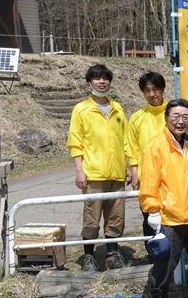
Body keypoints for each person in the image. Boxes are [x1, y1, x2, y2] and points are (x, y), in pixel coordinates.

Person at [139, 99, 188, 298]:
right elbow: (148, 181)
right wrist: (152, 210)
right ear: (166, 118)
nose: (180, 121)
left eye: (185, 117)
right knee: (164, 268)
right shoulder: (156, 145)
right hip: (169, 219)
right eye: (176, 116)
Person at [67, 64, 128, 271]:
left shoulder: (118, 108)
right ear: (89, 82)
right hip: (93, 173)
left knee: (116, 216)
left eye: (105, 78)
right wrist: (79, 170)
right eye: (97, 78)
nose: (102, 82)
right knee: (91, 217)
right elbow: (76, 141)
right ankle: (89, 257)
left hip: (117, 173)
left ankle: (112, 253)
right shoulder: (81, 109)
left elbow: (125, 140)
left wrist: (128, 166)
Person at [126, 72, 167, 245]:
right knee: (149, 218)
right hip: (147, 178)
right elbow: (131, 147)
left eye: (155, 89)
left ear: (163, 89)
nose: (152, 94)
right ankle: (153, 254)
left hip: (172, 176)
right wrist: (134, 173)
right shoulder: (137, 118)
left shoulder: (173, 113)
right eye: (147, 90)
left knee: (172, 217)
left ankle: (175, 256)